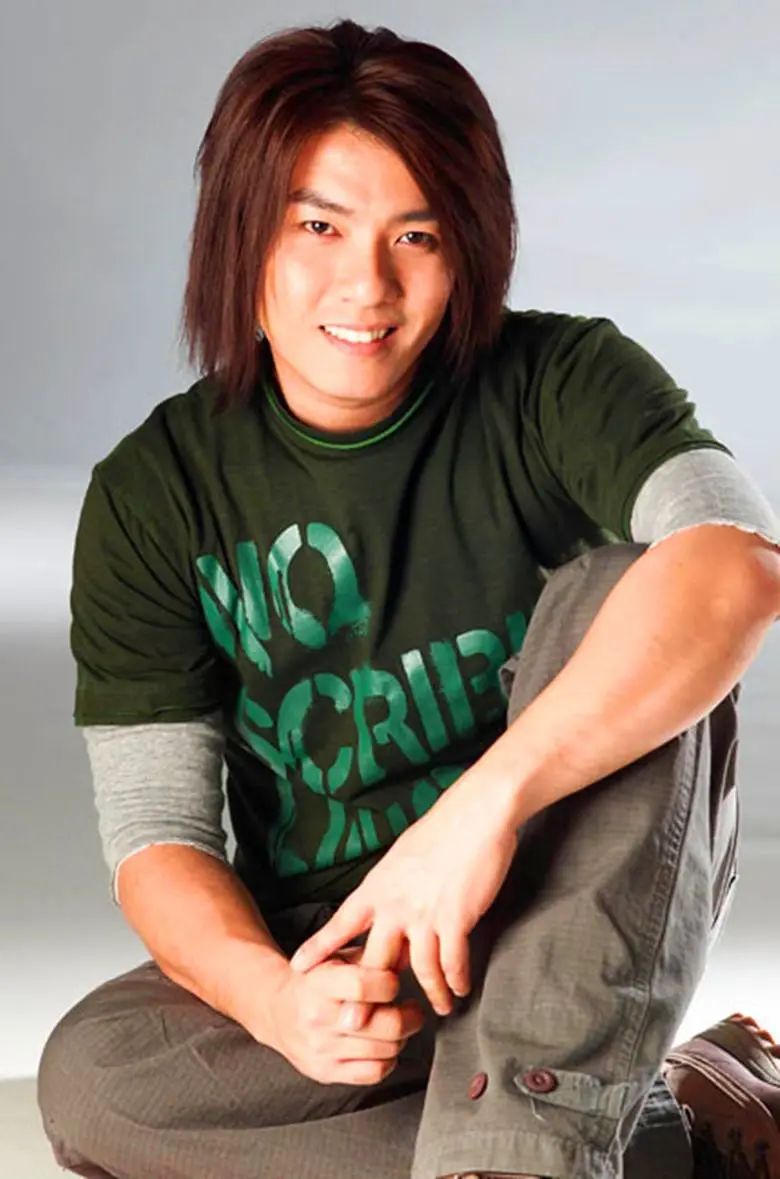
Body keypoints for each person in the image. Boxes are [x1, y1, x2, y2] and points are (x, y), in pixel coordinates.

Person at [37, 18, 780, 1179]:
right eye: (319, 226)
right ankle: (660, 1121)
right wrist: (278, 1002)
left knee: (630, 585)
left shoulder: (563, 380)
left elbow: (738, 562)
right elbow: (158, 835)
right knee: (95, 1078)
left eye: (417, 236)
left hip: (561, 915)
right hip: (356, 957)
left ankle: (518, 1145)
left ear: (469, 248)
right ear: (242, 234)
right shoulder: (157, 489)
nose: (368, 285)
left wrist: (480, 813)